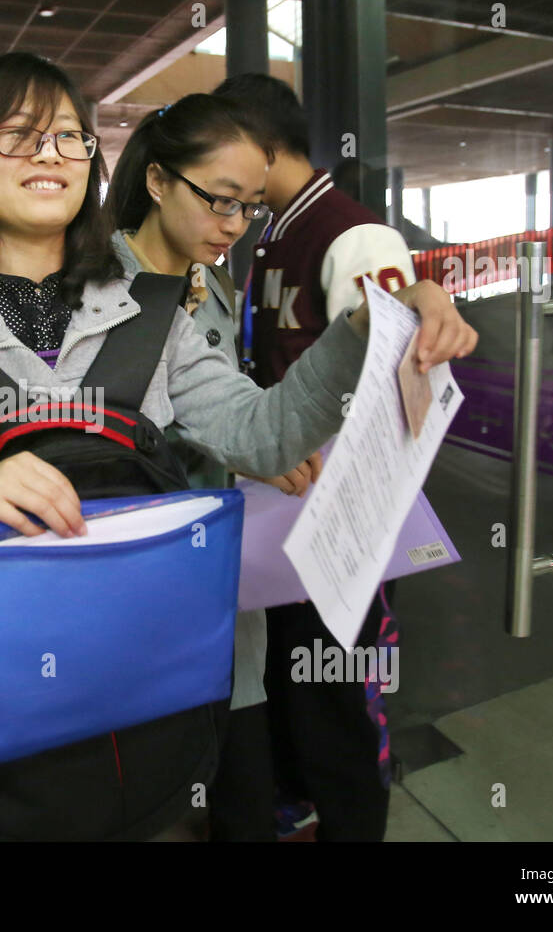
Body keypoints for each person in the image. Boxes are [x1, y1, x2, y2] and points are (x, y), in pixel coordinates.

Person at [0, 51, 475, 841]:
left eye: (70, 137)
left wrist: (370, 322)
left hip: (139, 703)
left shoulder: (151, 316)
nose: (49, 154)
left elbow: (264, 432)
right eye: (17, 135)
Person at [106, 92, 321, 841]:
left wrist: (261, 453)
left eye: (249, 208)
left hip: (229, 575)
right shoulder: (102, 289)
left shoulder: (214, 281)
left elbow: (226, 411)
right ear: (159, 181)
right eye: (219, 202)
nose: (233, 226)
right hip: (145, 586)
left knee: (242, 782)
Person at [215, 71, 419, 840]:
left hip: (342, 518)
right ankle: (300, 803)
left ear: (264, 150)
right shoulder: (274, 232)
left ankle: (353, 822)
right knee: (293, 682)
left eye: (227, 156)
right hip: (286, 509)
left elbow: (397, 383)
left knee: (338, 693)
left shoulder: (354, 235)